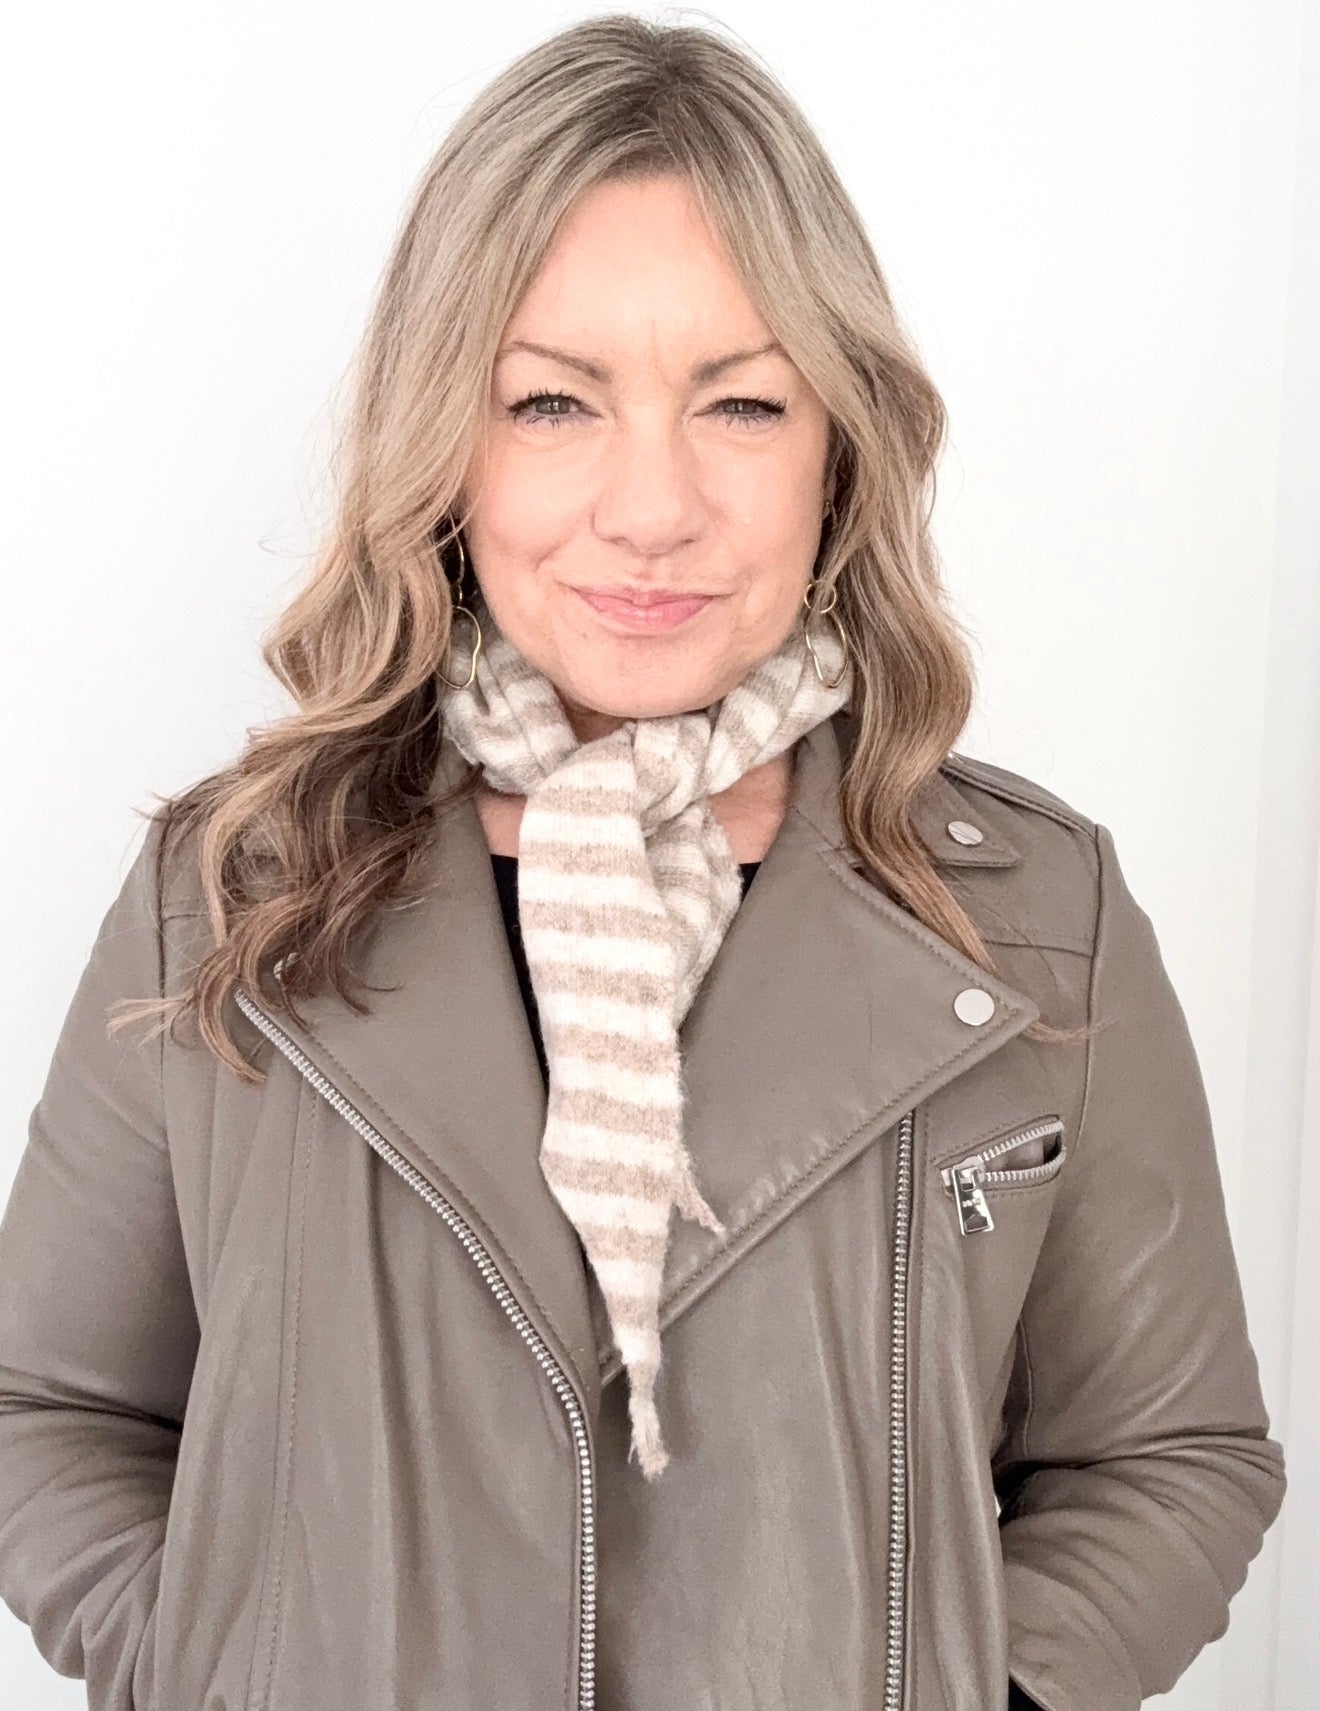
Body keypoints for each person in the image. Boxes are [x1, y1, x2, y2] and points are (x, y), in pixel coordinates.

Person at [0, 16, 1285, 1711]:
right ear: (444, 443)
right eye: (552, 401)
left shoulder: (1039, 920)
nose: (653, 507)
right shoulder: (233, 891)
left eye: (743, 404)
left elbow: (1172, 1459)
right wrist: (220, 1671)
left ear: (839, 449)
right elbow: (48, 1412)